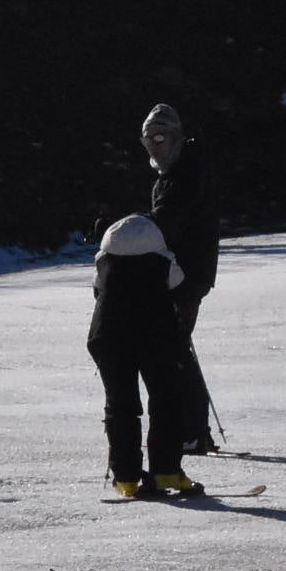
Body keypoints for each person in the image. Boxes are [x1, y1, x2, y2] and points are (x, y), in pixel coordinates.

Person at [87, 213, 203, 500]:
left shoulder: (104, 260)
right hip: (157, 336)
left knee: (120, 405)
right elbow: (180, 284)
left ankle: (125, 478)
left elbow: (97, 291)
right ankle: (166, 472)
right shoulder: (162, 259)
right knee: (166, 401)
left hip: (109, 337)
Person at [140, 103, 219, 455]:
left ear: (176, 137)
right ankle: (193, 429)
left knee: (173, 349)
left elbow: (167, 219)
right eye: (148, 140)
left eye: (160, 138)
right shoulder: (174, 172)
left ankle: (192, 431)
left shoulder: (186, 173)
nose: (154, 145)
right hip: (177, 271)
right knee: (174, 347)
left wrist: (127, 226)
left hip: (186, 274)